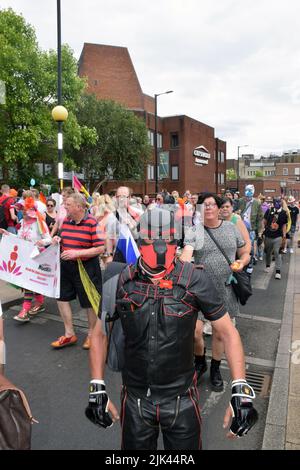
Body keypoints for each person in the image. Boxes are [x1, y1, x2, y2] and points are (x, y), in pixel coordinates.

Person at [85, 207, 257, 450]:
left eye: (166, 239)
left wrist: (241, 389)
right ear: (139, 239)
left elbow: (227, 332)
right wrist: (97, 387)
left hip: (181, 399)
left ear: (176, 241)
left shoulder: (195, 279)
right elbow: (99, 333)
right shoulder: (120, 281)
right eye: (151, 239)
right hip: (135, 399)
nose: (159, 246)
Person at [193, 193, 250, 391]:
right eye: (203, 205)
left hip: (225, 288)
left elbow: (244, 251)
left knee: (219, 334)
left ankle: (215, 369)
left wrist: (242, 262)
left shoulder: (230, 228)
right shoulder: (194, 230)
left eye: (211, 204)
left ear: (218, 209)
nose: (207, 208)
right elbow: (184, 255)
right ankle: (200, 362)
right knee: (195, 332)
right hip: (199, 290)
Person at [51, 193, 104, 350]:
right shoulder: (66, 220)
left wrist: (77, 253)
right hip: (66, 266)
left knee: (89, 303)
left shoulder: (92, 223)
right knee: (61, 297)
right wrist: (57, 240)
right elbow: (63, 237)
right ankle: (69, 334)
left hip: (87, 267)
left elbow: (101, 248)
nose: (64, 207)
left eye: (67, 204)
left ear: (79, 207)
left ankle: (91, 335)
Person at [0, 194, 52, 322]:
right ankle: (39, 302)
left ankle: (25, 310)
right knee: (29, 282)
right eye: (21, 209)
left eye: (24, 209)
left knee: (28, 282)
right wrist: (8, 235)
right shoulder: (22, 223)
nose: (22, 211)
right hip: (24, 257)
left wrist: (41, 242)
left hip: (36, 257)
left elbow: (48, 238)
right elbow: (20, 239)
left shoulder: (40, 223)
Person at [263, 196, 287, 280]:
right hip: (268, 235)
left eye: (279, 202)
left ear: (281, 202)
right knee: (268, 252)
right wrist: (262, 231)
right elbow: (264, 222)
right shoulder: (269, 211)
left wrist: (284, 236)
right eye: (276, 202)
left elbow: (284, 225)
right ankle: (268, 265)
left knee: (277, 252)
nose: (277, 203)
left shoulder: (284, 213)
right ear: (273, 203)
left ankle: (278, 271)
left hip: (278, 236)